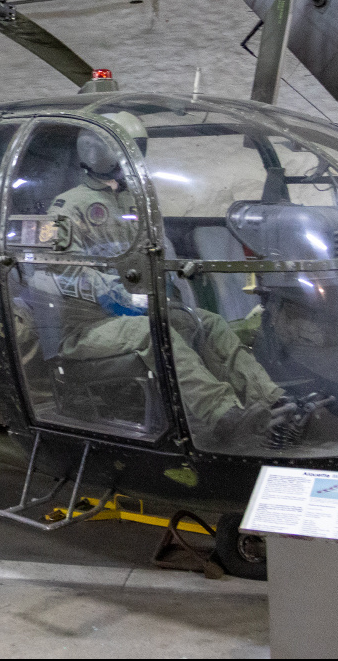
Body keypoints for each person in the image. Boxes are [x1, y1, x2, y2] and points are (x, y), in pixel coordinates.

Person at [47, 128, 322, 450]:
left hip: (141, 310)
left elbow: (152, 256)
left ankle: (275, 402)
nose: (135, 156)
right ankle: (224, 415)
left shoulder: (134, 201)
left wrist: (170, 279)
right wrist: (126, 297)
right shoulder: (68, 206)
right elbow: (65, 270)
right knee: (154, 331)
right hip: (89, 328)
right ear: (102, 153)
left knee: (209, 323)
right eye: (129, 148)